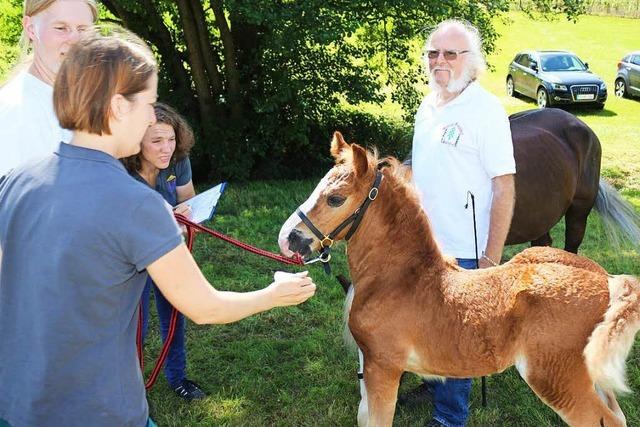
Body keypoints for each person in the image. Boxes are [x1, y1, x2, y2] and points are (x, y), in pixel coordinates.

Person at [0, 30, 316, 427]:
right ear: (118, 106)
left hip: (17, 403)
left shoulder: (17, 179)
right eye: (149, 104)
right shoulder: (136, 203)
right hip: (99, 412)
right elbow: (205, 307)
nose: (153, 117)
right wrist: (275, 294)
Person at [402, 20, 516, 427]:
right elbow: (422, 170)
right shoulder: (427, 106)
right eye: (433, 53)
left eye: (450, 53)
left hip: (466, 251)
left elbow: (504, 187)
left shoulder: (486, 111)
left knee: (458, 337)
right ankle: (435, 382)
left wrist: (491, 258)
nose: (439, 61)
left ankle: (450, 418)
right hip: (423, 245)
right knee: (427, 323)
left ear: (472, 62)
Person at [122, 102, 205, 401]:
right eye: (157, 140)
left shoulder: (179, 160)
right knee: (135, 324)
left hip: (169, 250)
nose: (166, 148)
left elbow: (189, 200)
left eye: (170, 139)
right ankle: (129, 389)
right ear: (137, 141)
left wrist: (186, 214)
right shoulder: (120, 168)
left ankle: (177, 377)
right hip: (131, 258)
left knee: (174, 316)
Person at [0, 0, 97, 177]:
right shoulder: (16, 113)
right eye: (61, 28)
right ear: (30, 28)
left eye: (83, 29)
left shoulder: (83, 103)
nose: (75, 40)